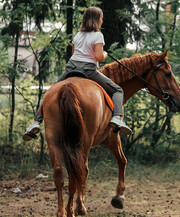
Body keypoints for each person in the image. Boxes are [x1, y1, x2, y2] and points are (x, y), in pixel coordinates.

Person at [22, 6, 132, 141]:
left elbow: (74, 54)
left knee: (51, 91)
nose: (102, 21)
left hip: (71, 67)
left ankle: (36, 122)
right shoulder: (98, 35)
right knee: (117, 90)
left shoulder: (77, 35)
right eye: (101, 19)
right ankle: (117, 118)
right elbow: (98, 57)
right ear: (97, 20)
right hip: (88, 69)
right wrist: (105, 53)